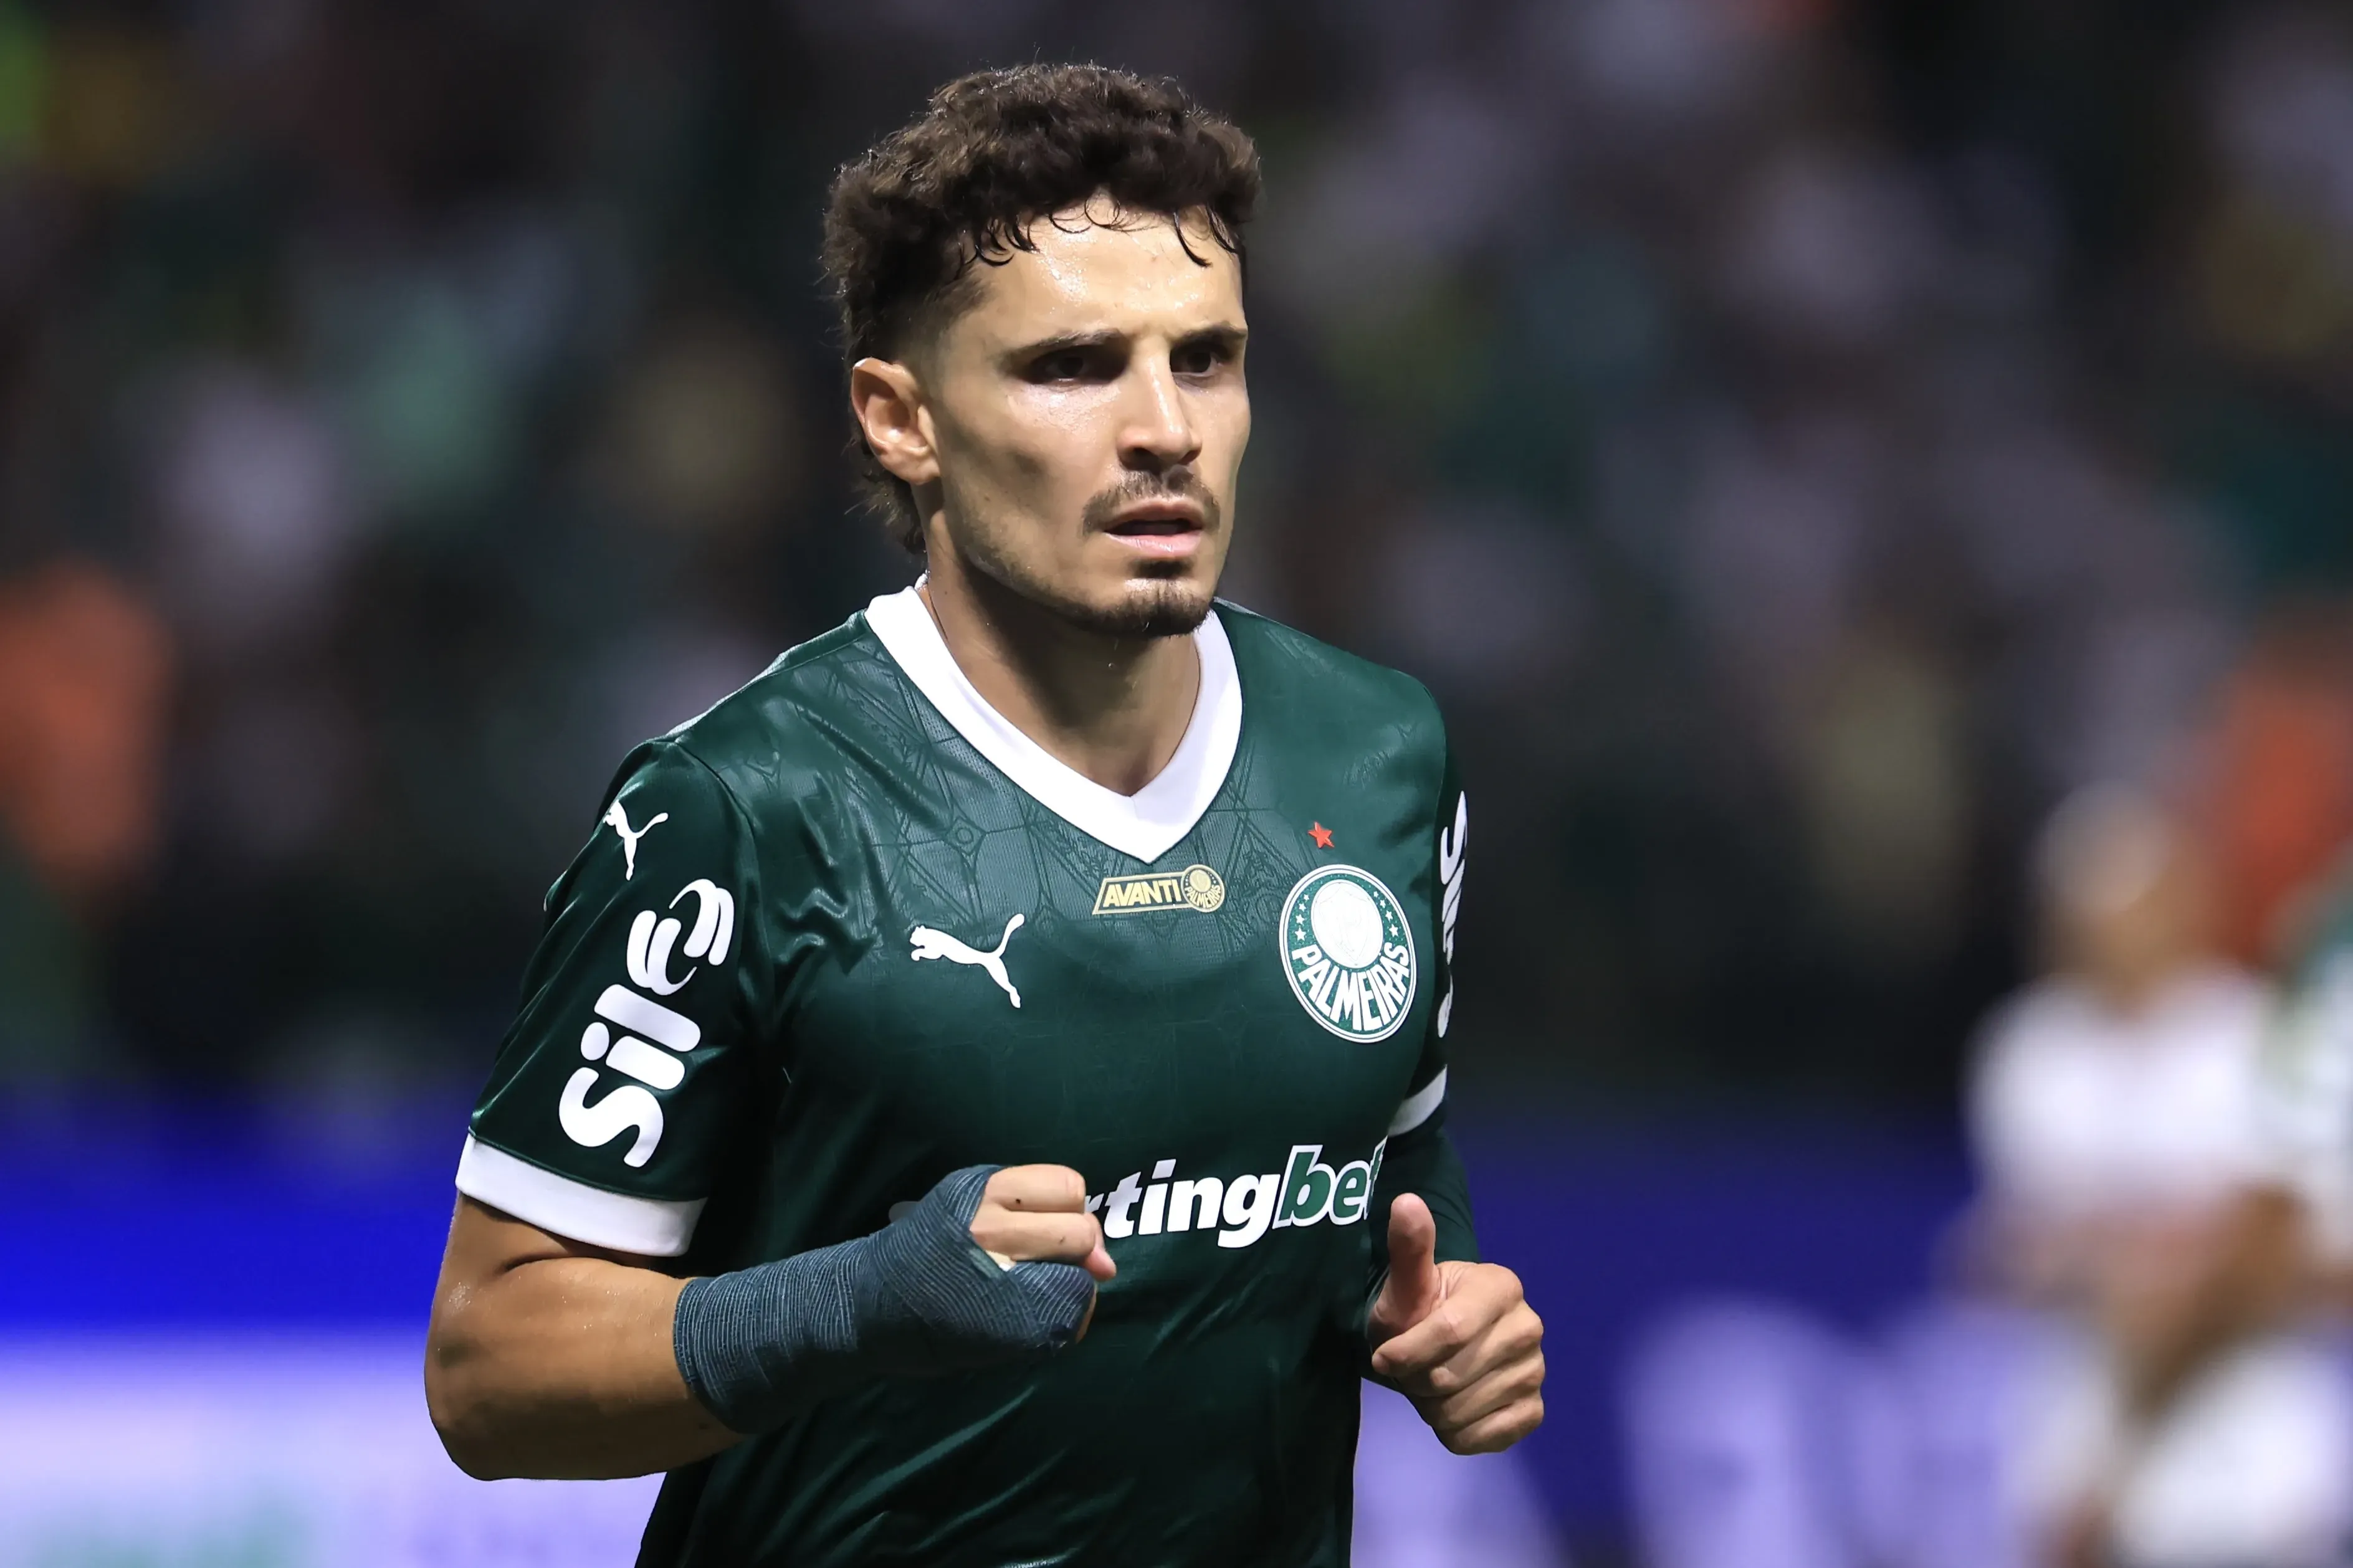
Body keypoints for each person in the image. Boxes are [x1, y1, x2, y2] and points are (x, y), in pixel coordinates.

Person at [422, 65, 1544, 1567]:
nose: (1165, 429)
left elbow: (1385, 1158)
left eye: (1205, 359)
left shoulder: (1379, 755)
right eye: (1075, 365)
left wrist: (1448, 1309)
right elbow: (491, 1369)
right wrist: (858, 1301)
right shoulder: (740, 811)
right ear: (902, 419)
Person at [1966, 784, 2347, 1568]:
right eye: (2091, 900)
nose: (2113, 926)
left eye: (2133, 896)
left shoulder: (2255, 1039)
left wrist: (2189, 1288)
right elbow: (2016, 1254)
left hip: (2250, 1476)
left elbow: (2308, 1262)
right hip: (2081, 1462)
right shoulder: (2028, 1054)